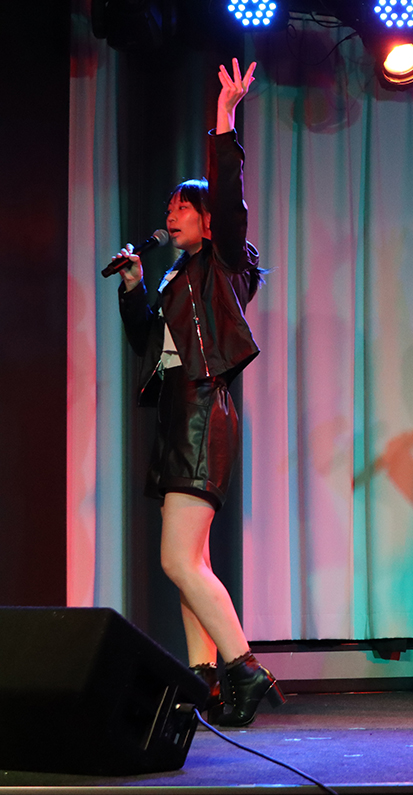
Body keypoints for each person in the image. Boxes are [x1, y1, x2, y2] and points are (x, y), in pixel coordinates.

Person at [113, 59, 283, 727]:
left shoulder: (223, 263)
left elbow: (230, 194)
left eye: (182, 206)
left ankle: (244, 668)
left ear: (210, 221)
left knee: (177, 559)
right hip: (178, 415)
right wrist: (134, 288)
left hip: (202, 414)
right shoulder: (176, 279)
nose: (171, 214)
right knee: (192, 560)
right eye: (169, 208)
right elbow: (148, 347)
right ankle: (205, 678)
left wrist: (225, 118)